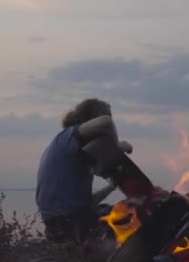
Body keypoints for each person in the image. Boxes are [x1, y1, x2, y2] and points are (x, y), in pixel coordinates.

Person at [35, 98, 133, 243]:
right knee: (135, 215)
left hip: (58, 226)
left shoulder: (67, 147)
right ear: (90, 120)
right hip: (72, 225)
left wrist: (112, 186)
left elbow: (85, 203)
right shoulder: (71, 137)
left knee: (118, 208)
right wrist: (115, 147)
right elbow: (106, 122)